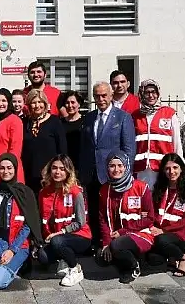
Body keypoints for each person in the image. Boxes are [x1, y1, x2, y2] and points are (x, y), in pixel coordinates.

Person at [79, 82, 136, 247]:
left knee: (114, 210)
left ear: (111, 96)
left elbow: (129, 149)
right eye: (97, 96)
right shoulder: (89, 118)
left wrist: (125, 174)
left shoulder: (123, 117)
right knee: (96, 210)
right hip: (92, 174)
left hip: (114, 173)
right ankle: (97, 242)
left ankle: (116, 243)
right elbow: (85, 147)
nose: (101, 99)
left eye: (104, 95)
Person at [0, 153, 43, 290]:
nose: (6, 171)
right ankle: (2, 261)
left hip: (18, 243)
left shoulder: (25, 192)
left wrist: (12, 250)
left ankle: (16, 263)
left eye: (9, 168)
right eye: (2, 168)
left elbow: (28, 226)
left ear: (15, 169)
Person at [98, 151, 155, 284]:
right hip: (116, 236)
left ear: (127, 166)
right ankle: (131, 258)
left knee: (117, 246)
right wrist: (106, 243)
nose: (116, 169)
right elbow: (103, 219)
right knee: (101, 258)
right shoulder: (104, 189)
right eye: (112, 166)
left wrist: (123, 232)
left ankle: (134, 267)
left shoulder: (141, 187)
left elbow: (149, 218)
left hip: (141, 233)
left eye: (120, 165)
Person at [36, 155, 92, 287]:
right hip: (57, 237)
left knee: (57, 241)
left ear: (68, 171)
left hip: (79, 235)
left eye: (62, 169)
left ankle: (75, 269)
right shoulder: (43, 192)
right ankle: (63, 259)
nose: (57, 172)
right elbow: (42, 219)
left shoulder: (75, 192)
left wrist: (61, 232)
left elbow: (80, 222)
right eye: (54, 168)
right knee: (43, 256)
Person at [150, 153, 185, 277]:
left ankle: (184, 258)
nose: (171, 171)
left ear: (181, 169)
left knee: (161, 241)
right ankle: (172, 256)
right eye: (167, 168)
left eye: (175, 168)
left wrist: (162, 231)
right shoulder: (160, 188)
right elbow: (154, 213)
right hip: (165, 233)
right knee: (153, 258)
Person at [132, 79, 183, 189]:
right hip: (141, 169)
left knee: (161, 198)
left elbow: (177, 142)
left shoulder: (170, 114)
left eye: (154, 92)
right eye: (147, 92)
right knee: (144, 199)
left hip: (163, 167)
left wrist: (179, 165)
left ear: (158, 93)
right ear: (141, 93)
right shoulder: (135, 116)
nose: (151, 95)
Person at [21, 89, 67, 193]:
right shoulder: (24, 123)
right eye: (33, 102)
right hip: (29, 174)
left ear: (45, 104)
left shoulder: (54, 122)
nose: (37, 105)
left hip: (50, 174)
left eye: (40, 102)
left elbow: (62, 148)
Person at [59, 90, 84, 171]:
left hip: (80, 163)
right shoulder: (59, 123)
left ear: (79, 104)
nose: (70, 105)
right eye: (67, 102)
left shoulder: (85, 121)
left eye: (73, 102)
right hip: (64, 164)